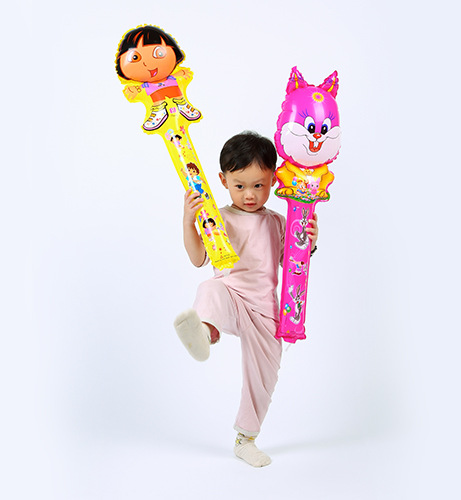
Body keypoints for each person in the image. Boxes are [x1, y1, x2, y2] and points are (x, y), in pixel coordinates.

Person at [174, 131, 319, 467]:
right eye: (240, 186)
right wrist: (188, 221)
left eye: (259, 185)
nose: (250, 194)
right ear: (223, 180)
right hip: (231, 297)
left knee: (264, 378)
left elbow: (292, 263)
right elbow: (198, 259)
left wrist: (309, 240)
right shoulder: (217, 217)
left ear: (273, 180)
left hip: (266, 310)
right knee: (210, 288)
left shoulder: (278, 222)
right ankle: (205, 331)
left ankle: (245, 440)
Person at [116, 25, 201, 131]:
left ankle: (182, 105)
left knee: (176, 94)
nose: (147, 64)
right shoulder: (147, 84)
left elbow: (176, 76)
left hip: (172, 87)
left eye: (159, 53)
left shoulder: (170, 78)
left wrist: (181, 73)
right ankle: (159, 111)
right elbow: (140, 88)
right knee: (156, 99)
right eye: (135, 57)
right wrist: (134, 89)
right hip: (155, 92)